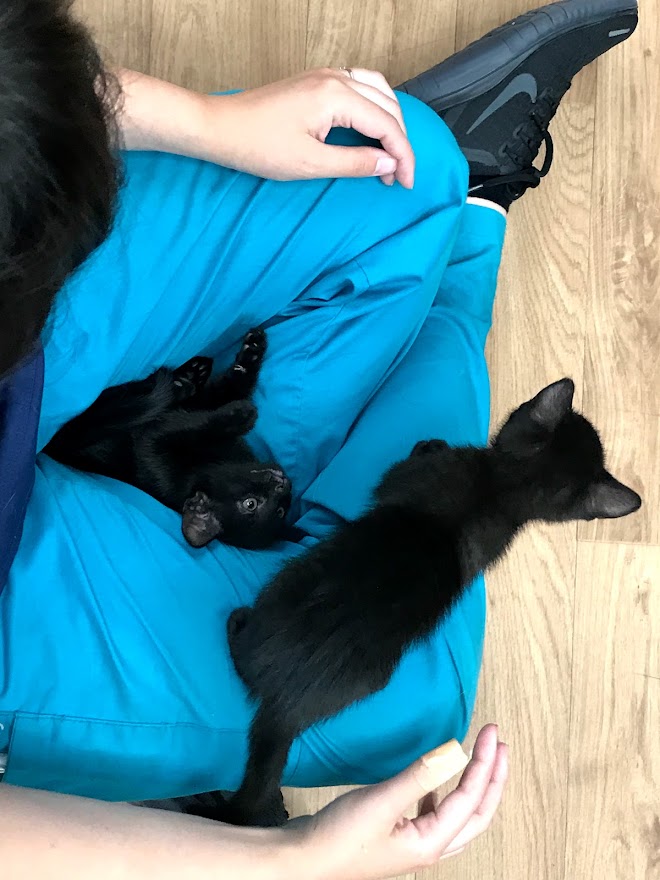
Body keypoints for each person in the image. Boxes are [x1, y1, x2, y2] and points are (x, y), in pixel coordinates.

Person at [0, 0, 637, 876]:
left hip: (22, 283)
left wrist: (203, 120)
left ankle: (454, 213)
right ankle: (473, 224)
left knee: (402, 173)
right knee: (414, 710)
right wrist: (291, 861)